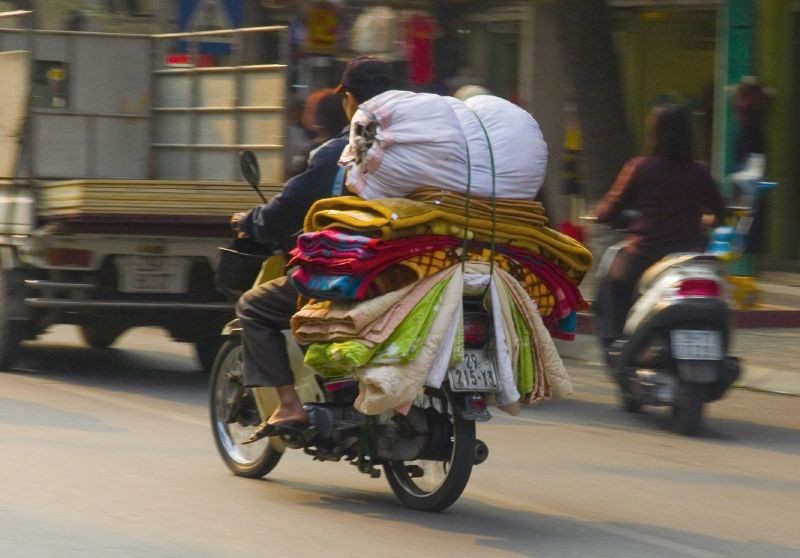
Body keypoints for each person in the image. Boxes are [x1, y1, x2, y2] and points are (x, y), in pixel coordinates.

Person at [231, 56, 394, 443]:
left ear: (350, 101)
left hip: (351, 274)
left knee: (253, 306)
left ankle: (288, 406)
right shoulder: (423, 153)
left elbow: (287, 209)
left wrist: (248, 222)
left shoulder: (341, 153)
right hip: (413, 270)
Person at [593, 104, 725, 349]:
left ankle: (616, 343)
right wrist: (705, 221)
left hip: (645, 252)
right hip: (690, 256)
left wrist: (603, 215)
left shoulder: (640, 167)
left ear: (654, 133)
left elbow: (607, 210)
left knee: (613, 283)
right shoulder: (700, 171)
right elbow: (720, 211)